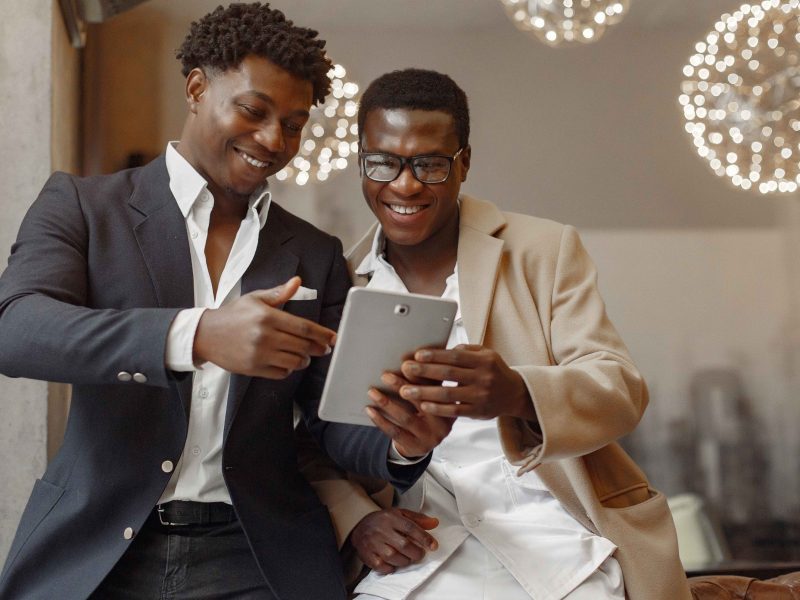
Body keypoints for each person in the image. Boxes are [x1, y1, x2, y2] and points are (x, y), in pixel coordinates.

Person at [0, 6, 450, 599]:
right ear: (196, 88)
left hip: (258, 553)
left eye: (293, 124)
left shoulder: (314, 252)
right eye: (253, 111)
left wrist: (402, 442)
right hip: (98, 546)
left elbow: (330, 420)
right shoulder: (84, 207)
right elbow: (18, 330)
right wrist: (198, 335)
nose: (273, 141)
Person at [303, 69, 692, 600]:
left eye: (430, 164)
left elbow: (620, 389)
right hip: (421, 561)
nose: (405, 183)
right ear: (362, 163)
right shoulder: (341, 282)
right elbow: (316, 438)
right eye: (383, 161)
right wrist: (358, 519)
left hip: (560, 550)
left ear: (463, 162)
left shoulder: (543, 250)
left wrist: (518, 392)